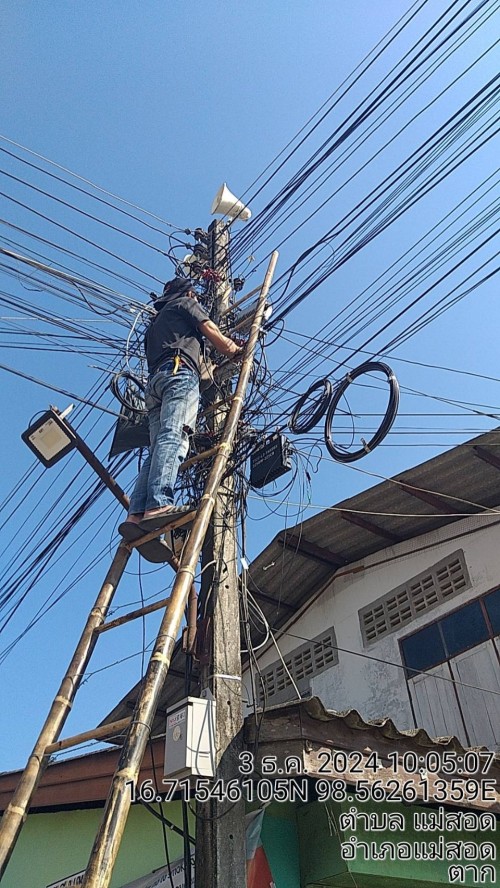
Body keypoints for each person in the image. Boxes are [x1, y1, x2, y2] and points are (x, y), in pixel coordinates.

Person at [119, 277, 242, 540]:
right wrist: (233, 349)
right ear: (187, 292)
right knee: (174, 437)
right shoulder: (185, 303)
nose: (197, 298)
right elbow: (208, 327)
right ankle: (159, 503)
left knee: (157, 448)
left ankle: (136, 513)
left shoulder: (155, 324)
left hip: (154, 385)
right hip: (179, 375)